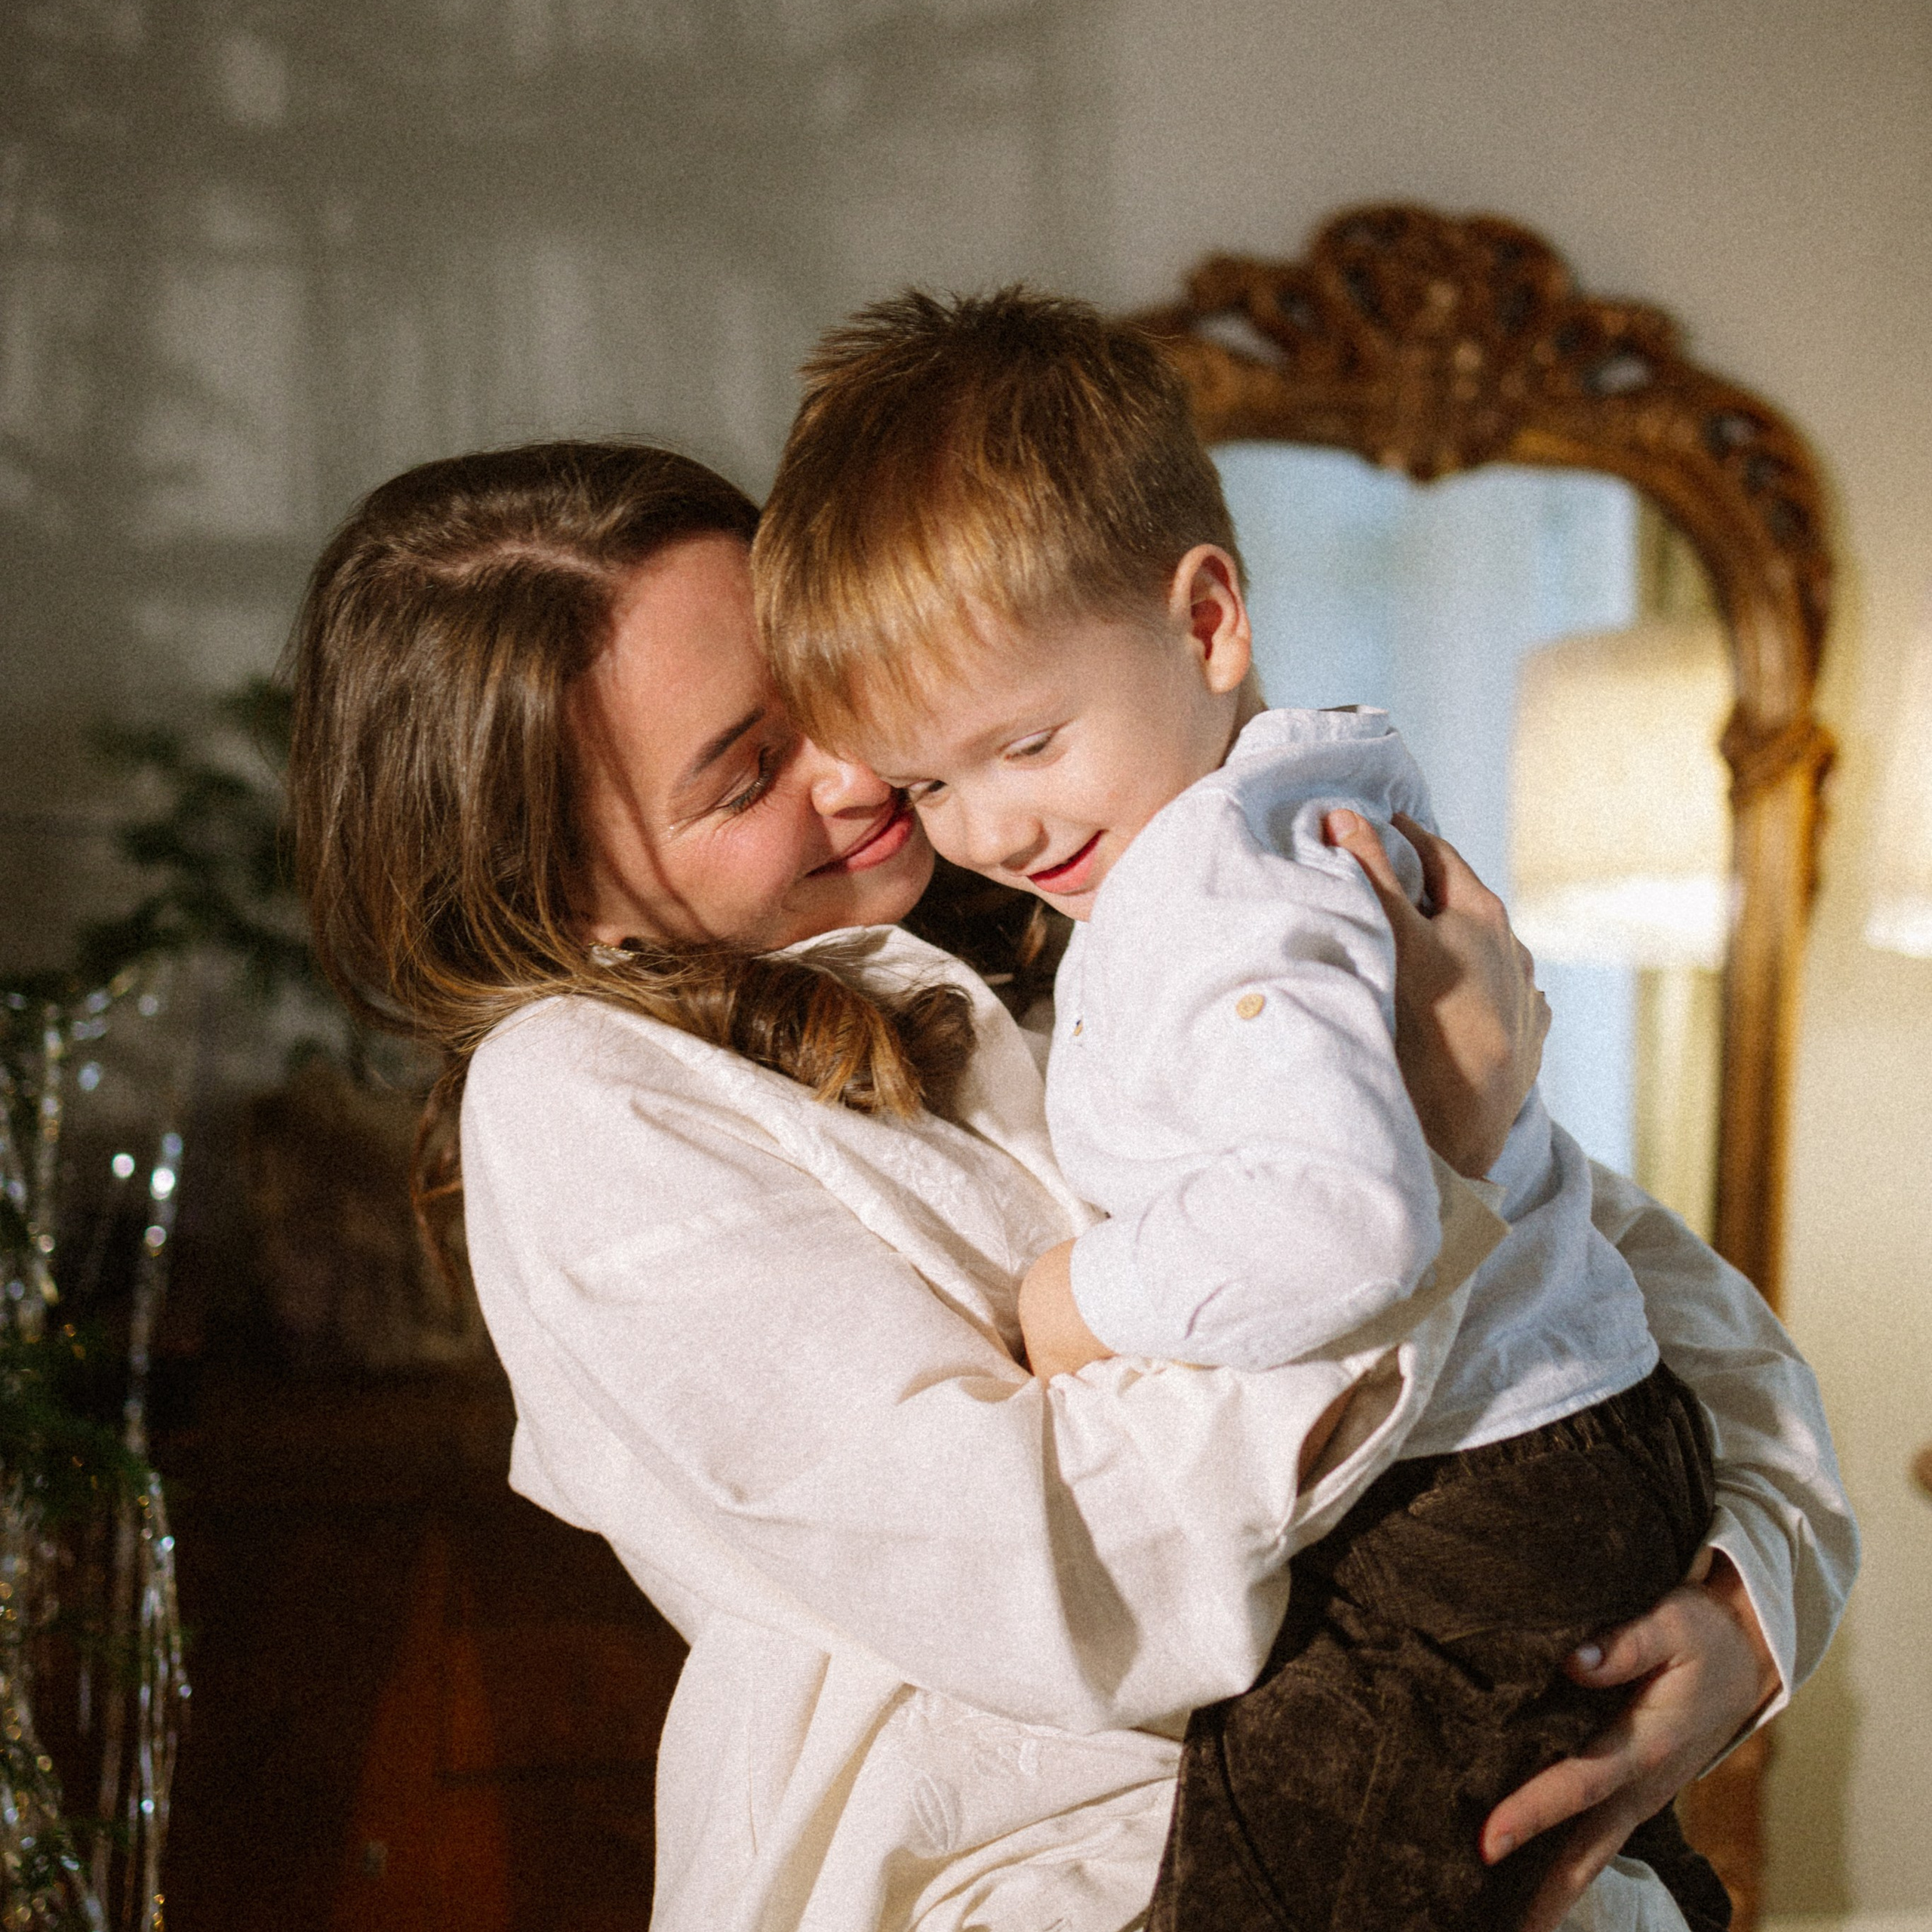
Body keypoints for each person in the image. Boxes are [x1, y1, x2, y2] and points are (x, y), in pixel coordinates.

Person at [285, 438, 1855, 1932]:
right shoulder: (579, 1095)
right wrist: (1421, 1158)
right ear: (558, 891)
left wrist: (1744, 1613)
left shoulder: (1123, 893)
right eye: (745, 769)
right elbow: (1044, 1567)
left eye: (824, 680)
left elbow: (1649, 1304)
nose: (854, 765)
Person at [752, 288, 1749, 1929]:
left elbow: (1343, 1218)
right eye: (931, 781)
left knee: (1276, 1871)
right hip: (1552, 1433)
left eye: (1021, 741)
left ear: (1205, 618)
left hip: (1480, 1483)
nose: (990, 822)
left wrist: (1079, 1297)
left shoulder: (1207, 884)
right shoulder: (1290, 800)